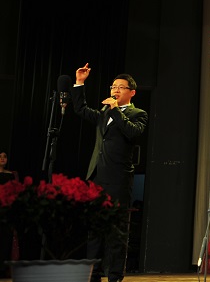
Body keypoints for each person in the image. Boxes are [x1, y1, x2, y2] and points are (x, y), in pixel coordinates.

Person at [71, 64, 148, 282]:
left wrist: (115, 109)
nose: (115, 90)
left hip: (118, 179)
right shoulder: (104, 112)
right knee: (95, 230)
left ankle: (114, 276)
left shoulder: (138, 114)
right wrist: (80, 83)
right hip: (97, 177)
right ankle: (93, 275)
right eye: (113, 87)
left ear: (132, 92)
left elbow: (133, 132)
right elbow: (81, 109)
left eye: (121, 87)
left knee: (117, 231)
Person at [0, 150, 19, 277]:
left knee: (5, 239)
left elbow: (14, 192)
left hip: (6, 210)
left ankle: (3, 269)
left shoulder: (11, 175)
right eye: (0, 156)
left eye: (5, 156)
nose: (2, 158)